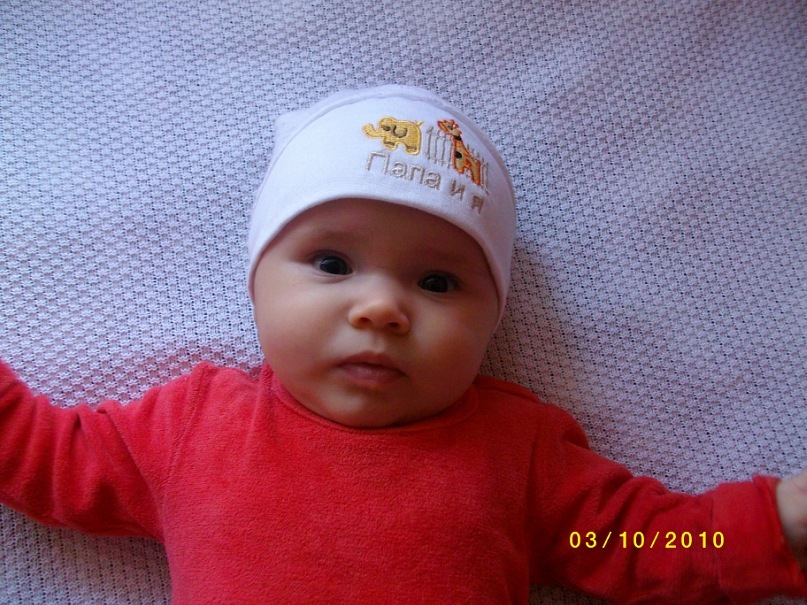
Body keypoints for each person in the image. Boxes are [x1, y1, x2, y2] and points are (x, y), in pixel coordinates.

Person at [1, 85, 805, 604]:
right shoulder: (193, 427)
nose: (382, 307)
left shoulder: (517, 451)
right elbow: (45, 457)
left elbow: (640, 540)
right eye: (331, 263)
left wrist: (773, 518)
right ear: (255, 282)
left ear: (493, 319)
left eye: (438, 281)